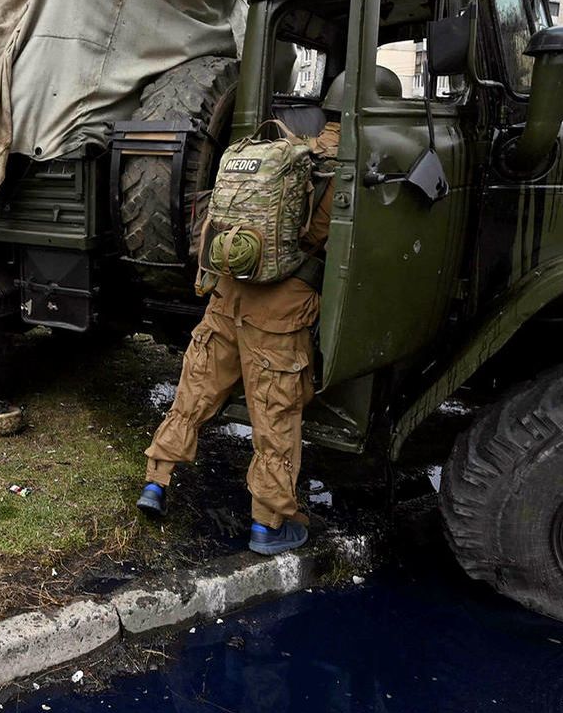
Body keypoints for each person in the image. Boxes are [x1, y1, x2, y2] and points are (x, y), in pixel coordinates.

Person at [138, 69, 390, 554]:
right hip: (280, 311)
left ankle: (157, 481)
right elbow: (333, 246)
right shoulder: (343, 170)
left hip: (227, 296)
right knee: (275, 416)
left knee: (193, 394)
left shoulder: (282, 154)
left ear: (328, 111)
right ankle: (269, 525)